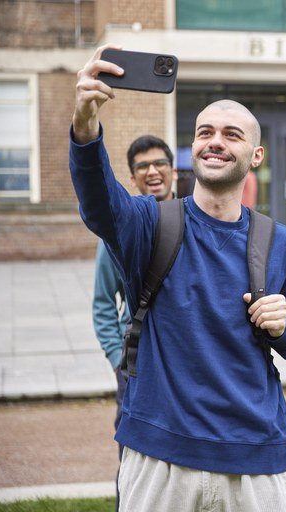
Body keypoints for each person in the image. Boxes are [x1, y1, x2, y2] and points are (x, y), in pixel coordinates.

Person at [70, 45, 286, 512]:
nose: (215, 141)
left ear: (255, 155)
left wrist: (285, 325)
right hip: (159, 454)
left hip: (254, 457)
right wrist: (86, 126)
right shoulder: (151, 224)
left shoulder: (283, 243)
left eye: (231, 134)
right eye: (205, 131)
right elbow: (98, 201)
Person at [92, 134, 176, 509]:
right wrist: (116, 359)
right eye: (142, 166)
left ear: (173, 170)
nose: (152, 171)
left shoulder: (194, 217)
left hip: (181, 361)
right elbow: (102, 304)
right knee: (133, 457)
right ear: (132, 176)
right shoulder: (121, 228)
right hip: (137, 361)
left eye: (159, 163)